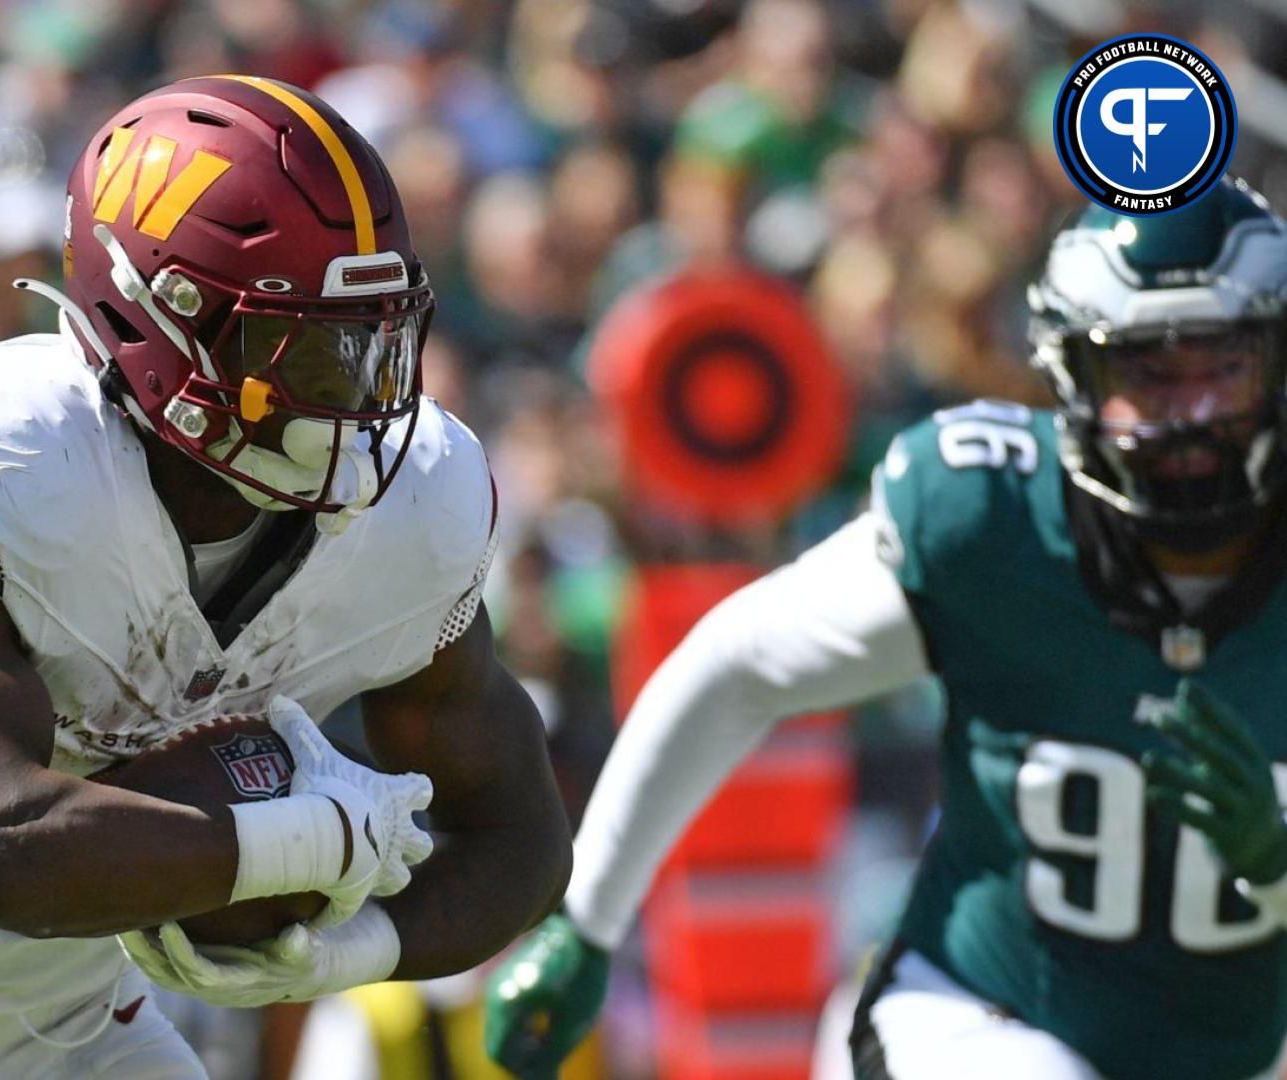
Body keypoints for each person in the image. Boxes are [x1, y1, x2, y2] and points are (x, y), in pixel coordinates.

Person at [0, 75, 572, 1079]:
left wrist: (342, 952)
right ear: (159, 321)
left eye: (374, 344)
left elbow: (521, 842)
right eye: (307, 351)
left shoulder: (415, 504)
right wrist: (294, 844)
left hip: (78, 1033)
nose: (359, 404)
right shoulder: (6, 461)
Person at [484, 176, 1287, 1080]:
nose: (1188, 415)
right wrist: (587, 918)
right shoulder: (991, 519)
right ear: (1075, 375)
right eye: (1146, 372)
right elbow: (735, 664)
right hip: (981, 1020)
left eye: (1221, 368)